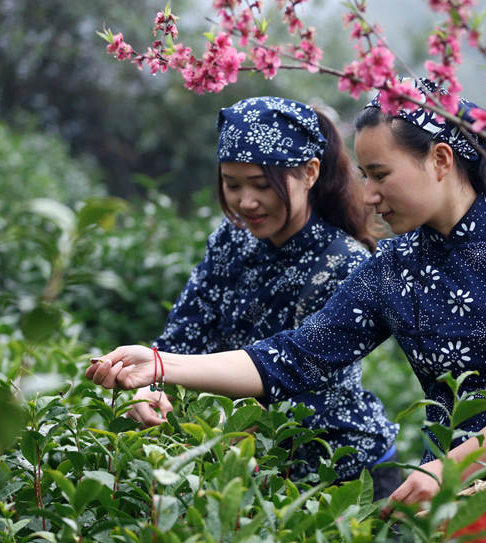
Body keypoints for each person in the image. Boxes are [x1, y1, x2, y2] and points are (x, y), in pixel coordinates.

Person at [87, 79, 486, 508]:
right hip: (466, 502)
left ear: (439, 159)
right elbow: (292, 358)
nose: (368, 195)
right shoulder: (394, 267)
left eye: (381, 174)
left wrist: (444, 472)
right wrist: (159, 365)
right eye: (363, 175)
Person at [121, 96, 400, 498]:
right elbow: (185, 335)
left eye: (261, 185)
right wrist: (152, 385)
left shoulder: (344, 263)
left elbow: (303, 388)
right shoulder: (230, 241)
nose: (245, 202)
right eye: (232, 184)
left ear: (309, 173)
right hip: (244, 461)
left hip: (342, 473)